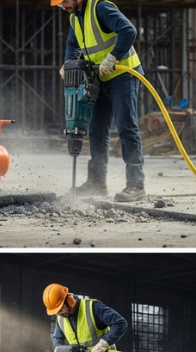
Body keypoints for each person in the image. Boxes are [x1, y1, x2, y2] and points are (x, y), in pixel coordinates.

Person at [52, 0, 146, 202]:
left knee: (126, 128)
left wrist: (113, 58)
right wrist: (69, 64)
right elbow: (72, 44)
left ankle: (136, 184)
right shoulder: (74, 18)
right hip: (99, 78)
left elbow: (129, 31)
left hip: (123, 75)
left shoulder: (100, 7)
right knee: (97, 129)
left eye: (65, 2)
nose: (64, 7)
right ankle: (97, 182)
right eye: (60, 5)